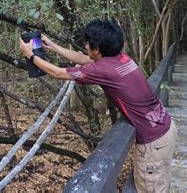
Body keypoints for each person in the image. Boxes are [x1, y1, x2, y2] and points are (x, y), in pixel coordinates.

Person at [19, 19, 177, 192]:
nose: (85, 46)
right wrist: (52, 45)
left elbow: (58, 73)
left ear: (97, 50)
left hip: (153, 141)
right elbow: (83, 59)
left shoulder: (104, 70)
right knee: (161, 183)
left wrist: (31, 56)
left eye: (88, 43)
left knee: (150, 188)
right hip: (165, 128)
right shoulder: (121, 58)